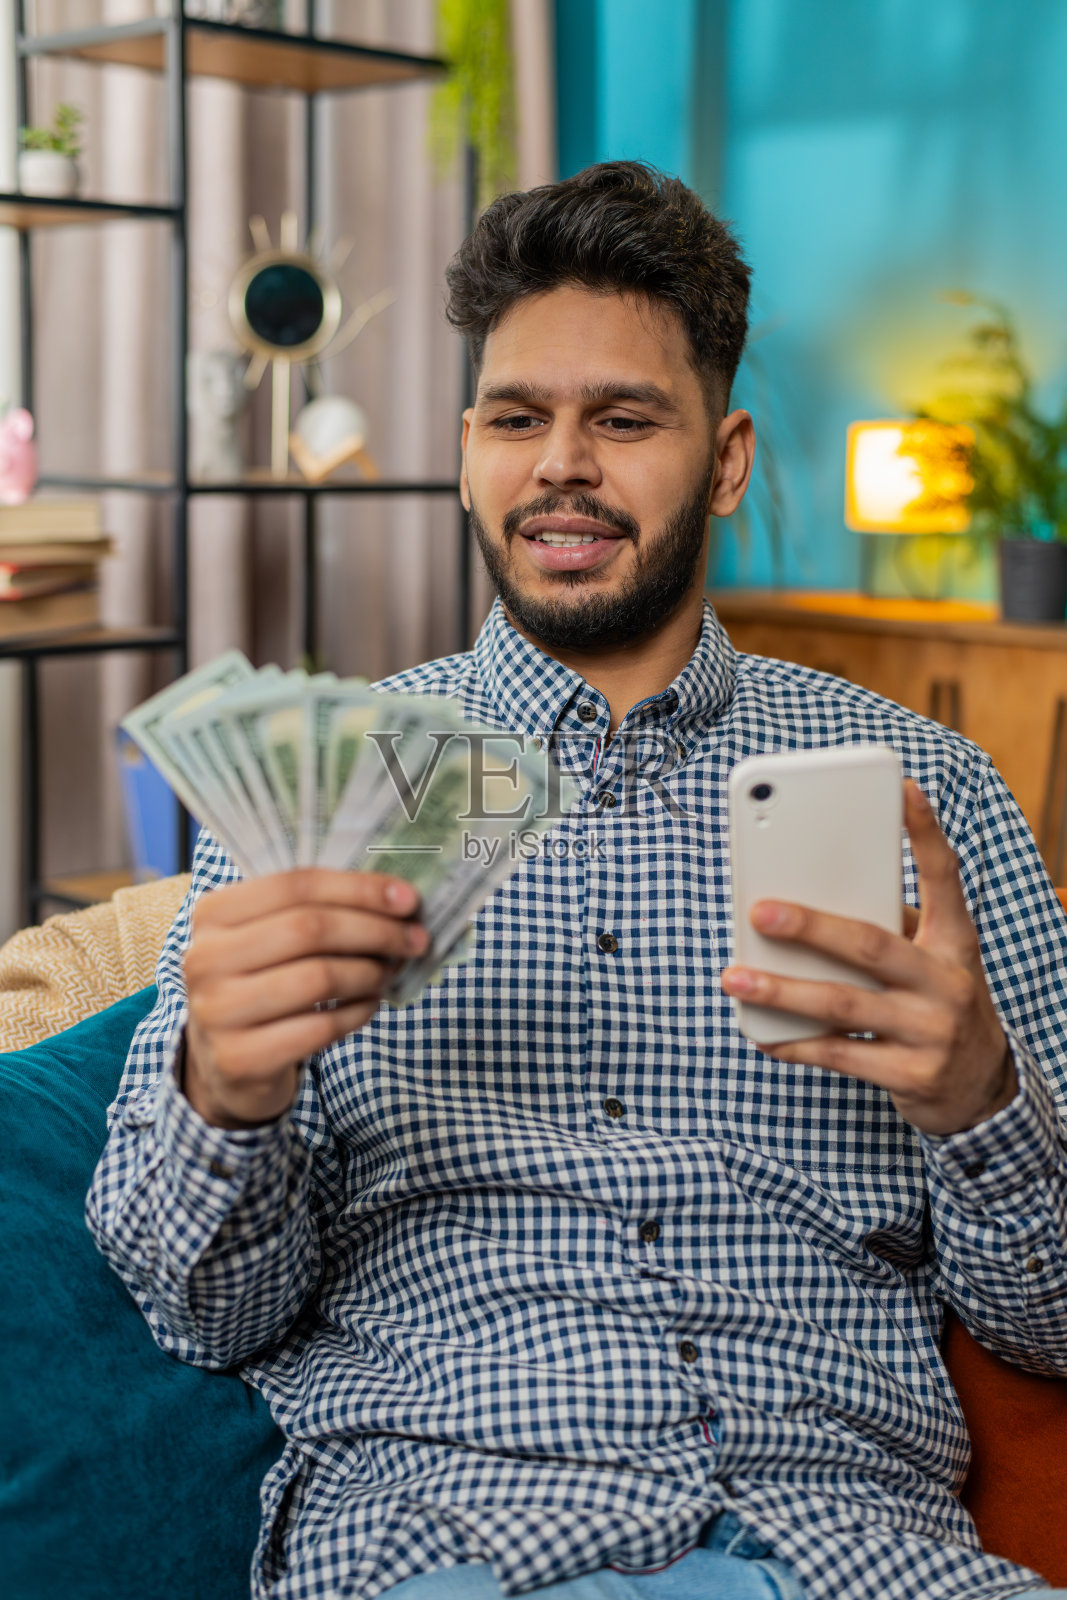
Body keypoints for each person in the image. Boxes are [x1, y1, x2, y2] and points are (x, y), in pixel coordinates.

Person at [88, 162, 1067, 1600]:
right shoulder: (322, 804)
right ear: (471, 447)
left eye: (623, 419)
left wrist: (983, 1101)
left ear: (725, 459)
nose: (562, 463)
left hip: (858, 1555)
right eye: (516, 417)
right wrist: (222, 1097)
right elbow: (202, 1317)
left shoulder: (934, 798)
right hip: (451, 1542)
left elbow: (1052, 1328)